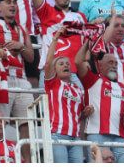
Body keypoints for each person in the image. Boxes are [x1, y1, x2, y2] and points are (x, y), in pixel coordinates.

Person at [75, 36, 124, 163]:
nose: (114, 66)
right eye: (110, 63)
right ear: (99, 65)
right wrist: (88, 42)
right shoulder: (93, 80)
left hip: (121, 137)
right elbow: (78, 62)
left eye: (116, 63)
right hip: (97, 134)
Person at [43, 29, 85, 163]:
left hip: (76, 138)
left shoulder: (78, 89)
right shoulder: (53, 83)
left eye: (67, 63)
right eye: (61, 64)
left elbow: (79, 115)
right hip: (57, 135)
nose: (66, 65)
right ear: (54, 70)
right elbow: (48, 63)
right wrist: (55, 39)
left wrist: (86, 112)